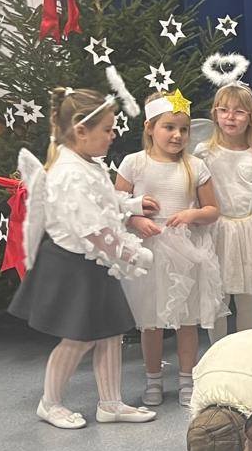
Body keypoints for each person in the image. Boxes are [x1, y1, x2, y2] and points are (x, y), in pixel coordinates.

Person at [8, 87, 156, 429]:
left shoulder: (87, 163)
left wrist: (132, 205)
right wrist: (133, 254)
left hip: (94, 265)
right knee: (78, 338)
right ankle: (50, 403)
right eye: (107, 129)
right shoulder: (69, 173)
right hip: (72, 266)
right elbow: (92, 230)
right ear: (80, 130)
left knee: (110, 332)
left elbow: (103, 200)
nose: (113, 135)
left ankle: (111, 403)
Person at [116, 90, 227, 406]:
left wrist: (192, 214)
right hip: (149, 252)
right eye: (169, 127)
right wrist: (136, 219)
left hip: (185, 252)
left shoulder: (195, 166)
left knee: (186, 321)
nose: (177, 135)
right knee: (151, 322)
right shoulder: (134, 164)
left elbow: (213, 210)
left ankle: (186, 379)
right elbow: (115, 205)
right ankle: (153, 379)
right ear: (150, 127)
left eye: (183, 129)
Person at [193, 81, 252, 341]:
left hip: (250, 233)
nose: (230, 117)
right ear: (215, 114)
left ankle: (245, 354)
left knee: (246, 300)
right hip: (216, 231)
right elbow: (195, 197)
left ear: (251, 117)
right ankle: (218, 355)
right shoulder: (204, 153)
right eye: (224, 110)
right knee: (218, 299)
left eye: (239, 111)